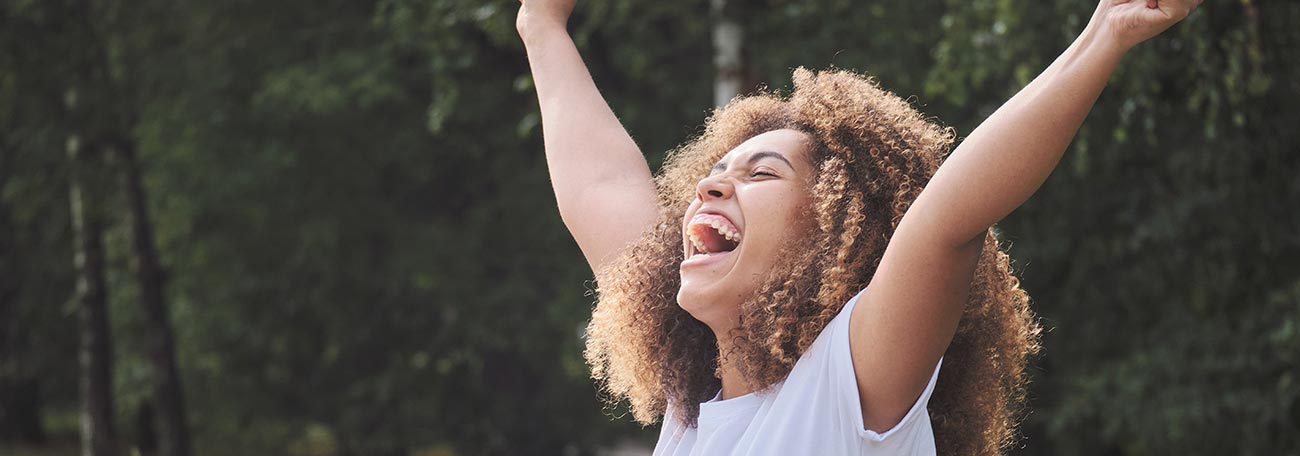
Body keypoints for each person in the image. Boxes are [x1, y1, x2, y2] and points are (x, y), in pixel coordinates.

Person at [515, 0, 1201, 454]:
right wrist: (539, 24)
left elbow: (947, 219)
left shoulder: (849, 387)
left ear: (837, 237)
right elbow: (601, 186)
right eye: (717, 171)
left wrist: (1105, 30)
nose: (710, 185)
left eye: (761, 175)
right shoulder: (692, 412)